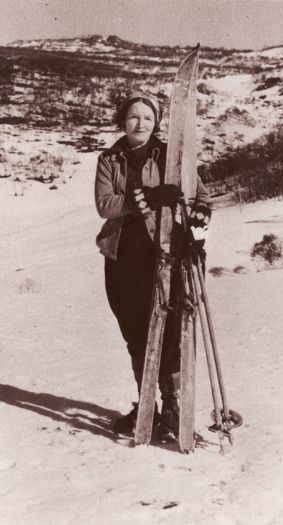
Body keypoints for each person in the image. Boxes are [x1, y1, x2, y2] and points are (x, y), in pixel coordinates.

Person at [95, 90, 211, 441]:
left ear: (156, 121)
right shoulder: (109, 158)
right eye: (133, 117)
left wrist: (198, 223)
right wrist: (144, 197)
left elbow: (200, 196)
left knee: (170, 327)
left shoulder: (171, 156)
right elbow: (105, 204)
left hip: (164, 253)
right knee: (135, 332)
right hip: (123, 257)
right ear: (123, 121)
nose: (140, 123)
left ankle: (173, 403)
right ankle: (148, 403)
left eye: (147, 117)